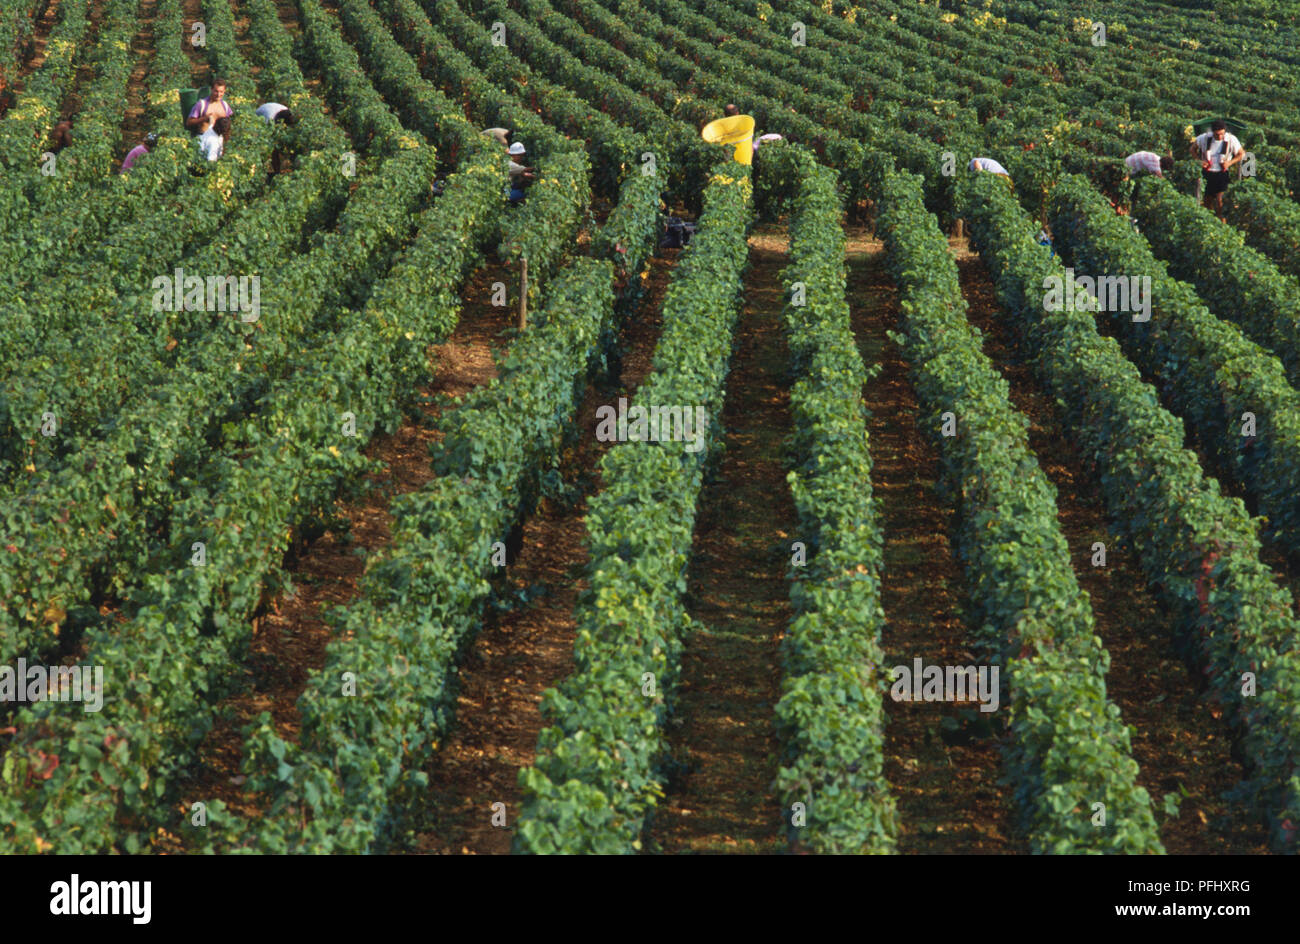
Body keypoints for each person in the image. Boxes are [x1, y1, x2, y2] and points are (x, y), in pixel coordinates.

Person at [1191, 119, 1243, 216]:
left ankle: (1222, 222)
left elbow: (1241, 154)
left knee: (1220, 202)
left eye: (1221, 134)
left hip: (1222, 174)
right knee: (1207, 201)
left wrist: (1230, 163)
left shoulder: (1231, 139)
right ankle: (1209, 221)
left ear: (1225, 131)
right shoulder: (1204, 138)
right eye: (1216, 134)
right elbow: (1192, 149)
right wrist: (1199, 161)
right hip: (1207, 173)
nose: (1219, 137)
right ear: (1212, 132)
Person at [507, 140, 535, 205]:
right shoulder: (511, 164)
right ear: (512, 155)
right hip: (506, 191)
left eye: (522, 155)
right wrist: (537, 169)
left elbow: (525, 174)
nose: (521, 157)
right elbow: (526, 170)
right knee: (527, 194)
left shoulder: (515, 165)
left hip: (511, 188)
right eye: (519, 155)